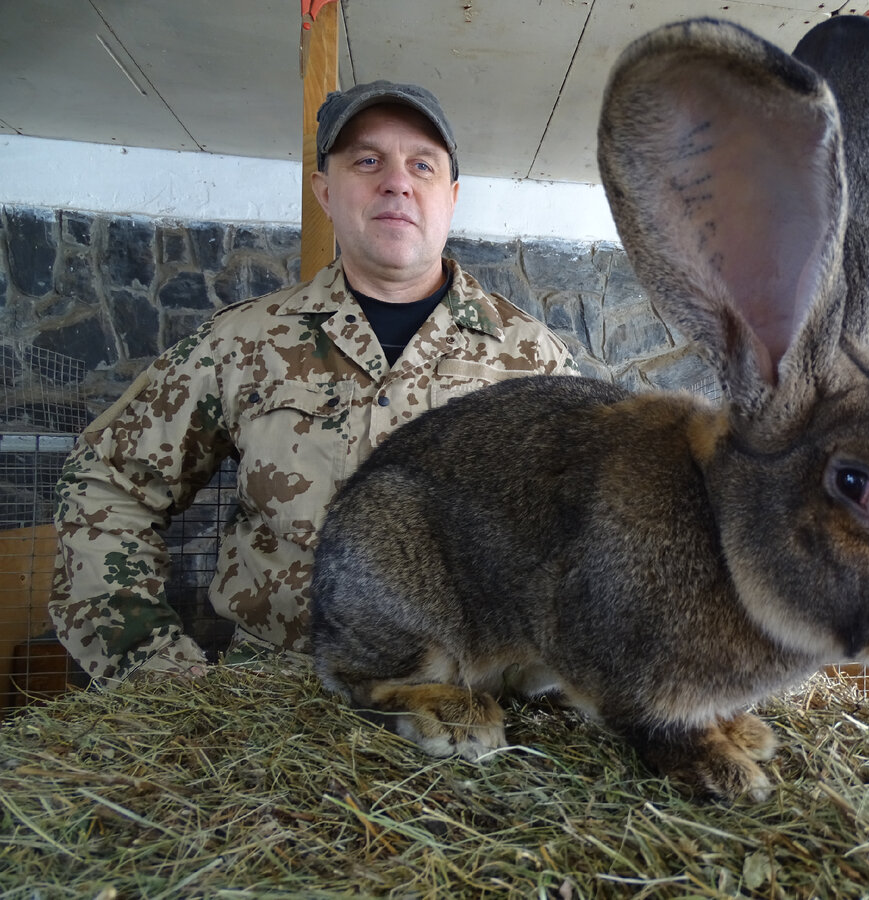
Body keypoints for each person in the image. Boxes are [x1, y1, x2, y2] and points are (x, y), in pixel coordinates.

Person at [49, 81, 578, 684]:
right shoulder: (246, 342)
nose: (397, 182)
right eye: (368, 160)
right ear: (325, 191)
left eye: (422, 165)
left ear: (450, 197)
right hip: (277, 709)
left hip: (474, 715)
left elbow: (589, 537)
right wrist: (149, 665)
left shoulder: (532, 358)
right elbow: (107, 480)